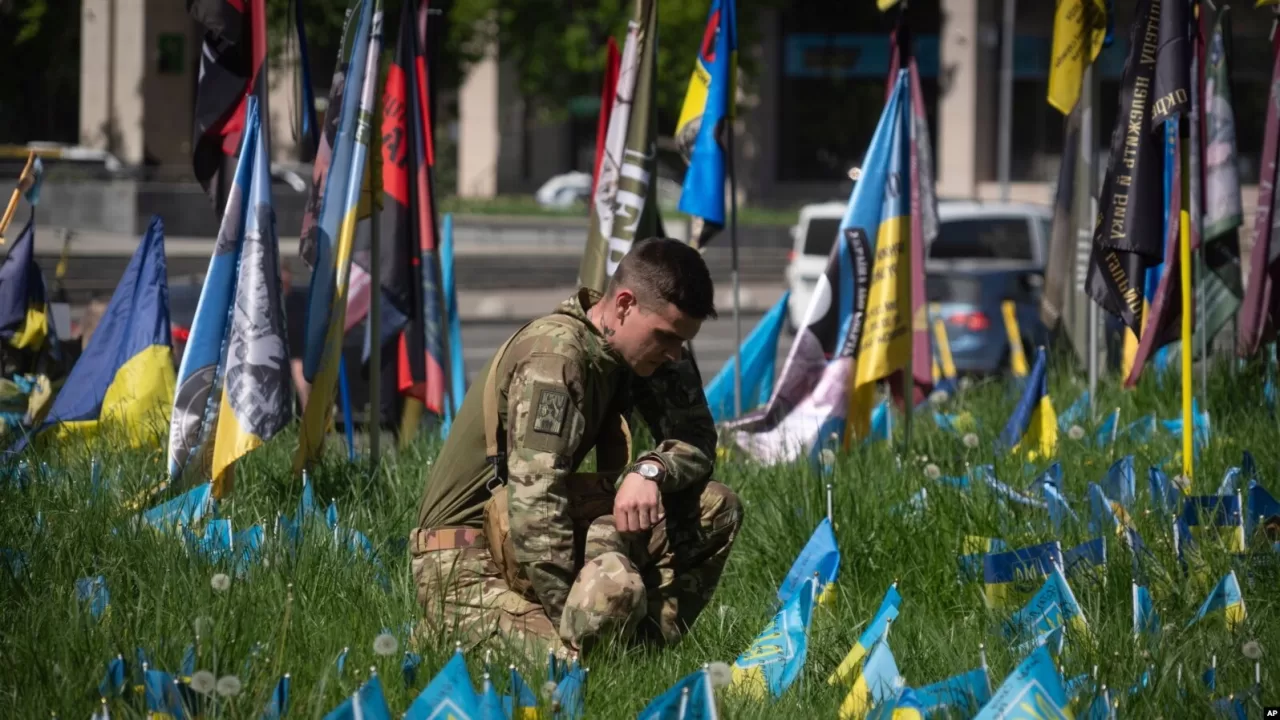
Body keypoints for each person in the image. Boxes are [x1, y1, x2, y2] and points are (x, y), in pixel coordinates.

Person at [410, 238, 743, 659]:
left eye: (683, 342)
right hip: (465, 557)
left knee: (717, 507)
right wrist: (575, 620)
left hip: (531, 536)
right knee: (577, 664)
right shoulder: (556, 356)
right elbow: (537, 505)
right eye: (666, 336)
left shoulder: (646, 351)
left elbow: (697, 440)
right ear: (623, 304)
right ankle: (450, 628)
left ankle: (642, 653)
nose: (675, 353)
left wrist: (651, 470)